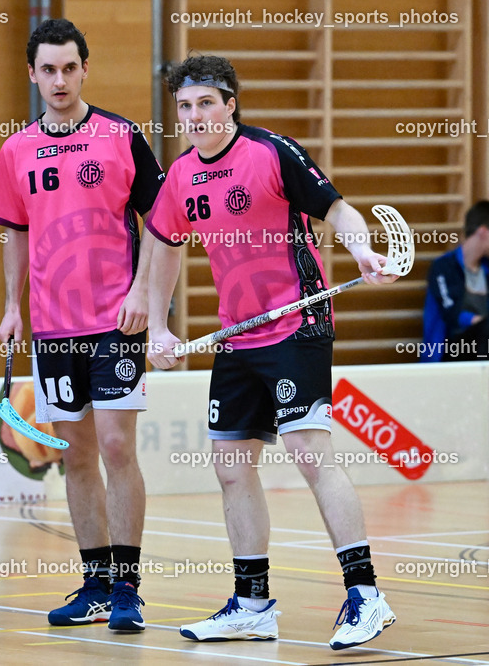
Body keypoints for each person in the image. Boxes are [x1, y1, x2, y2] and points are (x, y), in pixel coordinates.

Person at [144, 55, 397, 650]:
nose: (195, 115)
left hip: (297, 323)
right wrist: (158, 325)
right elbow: (166, 249)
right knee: (231, 466)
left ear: (230, 104)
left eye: (206, 103)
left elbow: (338, 210)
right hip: (238, 333)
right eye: (185, 106)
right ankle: (253, 604)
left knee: (310, 454)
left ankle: (366, 594)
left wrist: (360, 250)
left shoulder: (271, 152)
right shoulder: (180, 175)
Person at [0, 18, 165, 632]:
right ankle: (94, 583)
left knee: (117, 447)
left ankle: (128, 588)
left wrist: (146, 296)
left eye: (70, 67)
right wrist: (13, 306)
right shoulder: (16, 150)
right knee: (77, 457)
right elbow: (15, 231)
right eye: (48, 69)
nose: (59, 80)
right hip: (54, 330)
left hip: (117, 323)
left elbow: (164, 226)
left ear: (85, 68)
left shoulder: (121, 137)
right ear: (32, 75)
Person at [422, 200, 489, 361]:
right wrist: (481, 322)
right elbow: (451, 313)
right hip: (450, 351)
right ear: (483, 232)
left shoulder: (486, 269)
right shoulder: (443, 267)